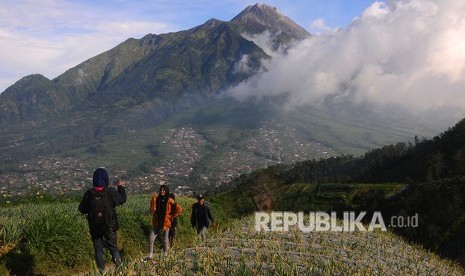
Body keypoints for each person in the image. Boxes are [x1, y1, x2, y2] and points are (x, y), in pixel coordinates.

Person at [78, 168, 127, 273]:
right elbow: (122, 199)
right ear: (106, 178)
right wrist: (120, 187)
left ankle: (102, 271)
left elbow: (82, 209)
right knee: (113, 247)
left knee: (98, 249)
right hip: (109, 226)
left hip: (95, 227)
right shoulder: (110, 192)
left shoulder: (89, 193)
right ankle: (120, 271)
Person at [144, 184, 182, 260]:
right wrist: (153, 207)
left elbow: (179, 209)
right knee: (151, 238)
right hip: (157, 222)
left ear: (166, 191)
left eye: (164, 190)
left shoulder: (169, 200)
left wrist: (172, 216)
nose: (162, 191)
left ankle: (165, 253)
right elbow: (151, 210)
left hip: (166, 222)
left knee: (165, 238)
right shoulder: (156, 199)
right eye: (161, 190)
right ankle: (150, 254)